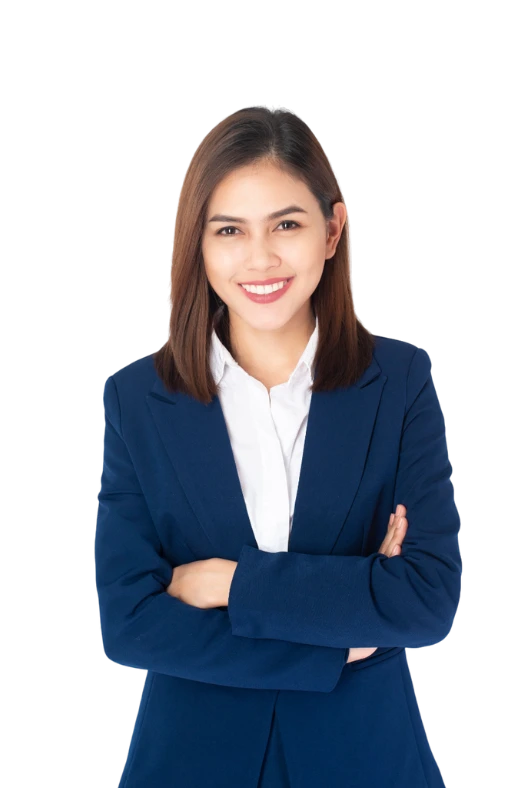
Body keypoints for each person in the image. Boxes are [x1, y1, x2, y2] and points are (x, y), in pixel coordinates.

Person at [95, 106, 461, 787]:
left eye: (285, 224)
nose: (258, 258)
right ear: (196, 245)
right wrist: (340, 635)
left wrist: (226, 582)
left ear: (331, 230)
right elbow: (130, 622)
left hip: (364, 760)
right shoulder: (138, 399)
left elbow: (424, 600)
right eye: (229, 230)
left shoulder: (398, 382)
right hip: (190, 762)